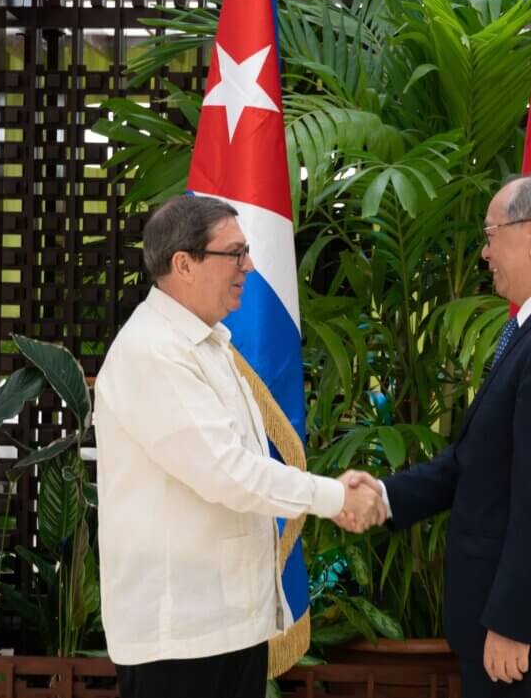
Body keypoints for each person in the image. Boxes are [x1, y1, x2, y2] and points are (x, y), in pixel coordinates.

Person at [341, 173, 531, 698]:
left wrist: (514, 621)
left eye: (492, 235)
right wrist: (384, 494)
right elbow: (477, 461)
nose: (485, 253)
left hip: (528, 644)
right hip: (521, 638)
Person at [94, 195, 385, 698]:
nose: (249, 266)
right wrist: (335, 496)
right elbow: (228, 473)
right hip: (181, 638)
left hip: (227, 627)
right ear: (184, 264)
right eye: (234, 253)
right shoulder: (153, 352)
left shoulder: (209, 343)